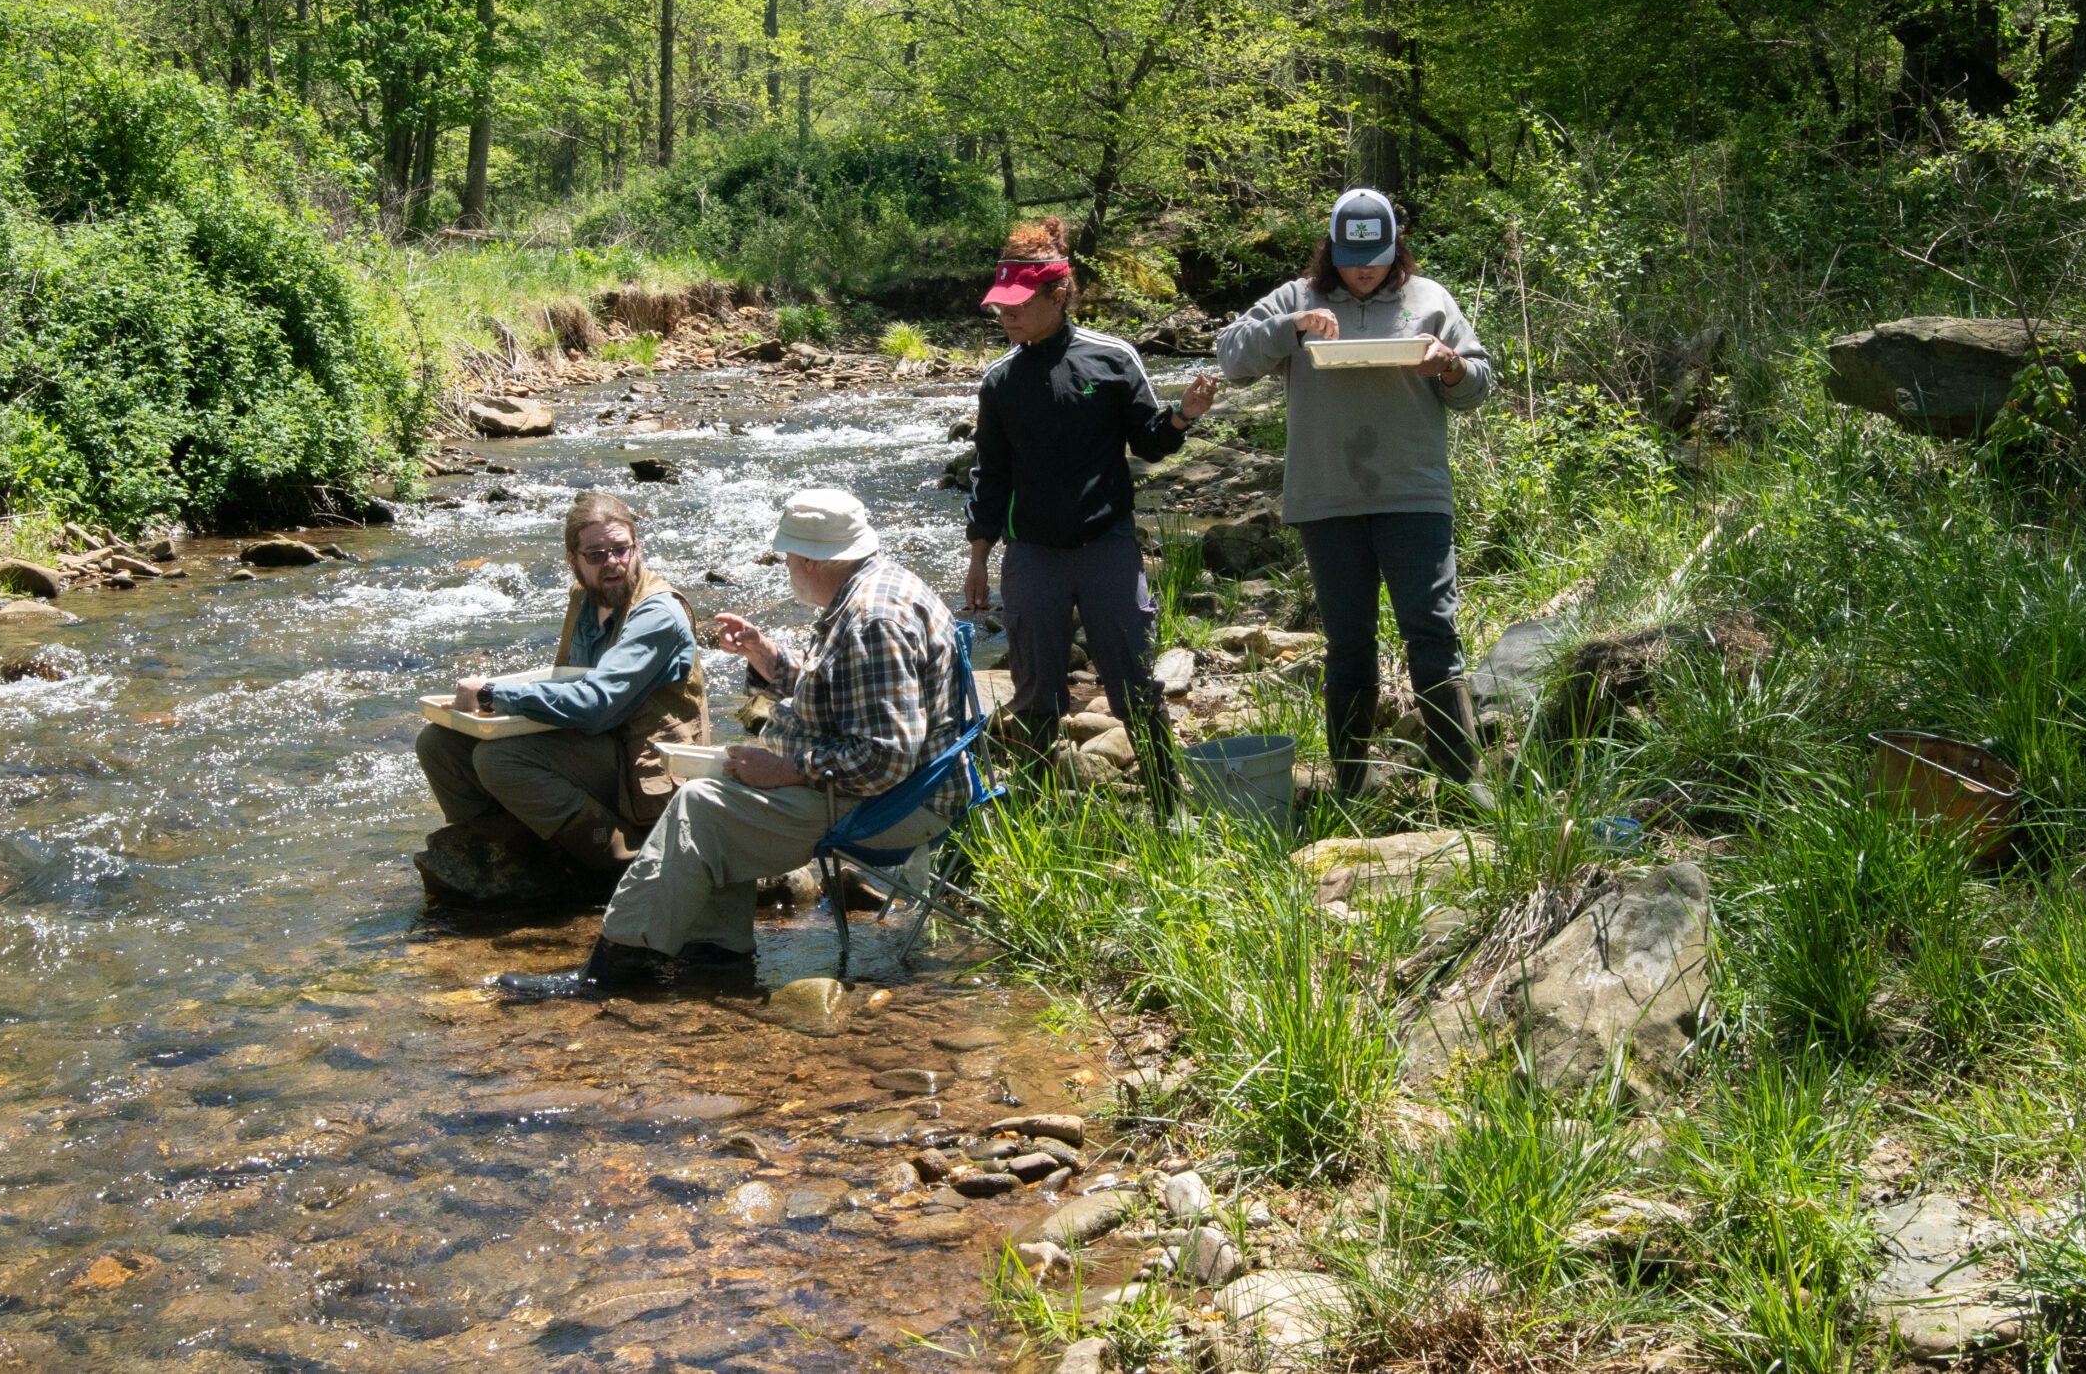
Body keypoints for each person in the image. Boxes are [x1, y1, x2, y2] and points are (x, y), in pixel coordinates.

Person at [498, 488, 964, 998]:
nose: (786, 564)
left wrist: (790, 770)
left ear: (811, 559)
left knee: (702, 805)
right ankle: (716, 957)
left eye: (789, 554)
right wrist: (770, 660)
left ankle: (615, 970)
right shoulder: (875, 588)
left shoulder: (873, 621)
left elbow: (887, 757)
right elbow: (841, 695)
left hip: (899, 804)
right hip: (900, 788)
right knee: (718, 786)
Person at [1214, 188, 1493, 797]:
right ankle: (1351, 785)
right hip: (1326, 497)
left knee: (1432, 628)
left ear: (1396, 249)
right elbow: (1230, 357)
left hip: (1414, 492)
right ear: (1330, 250)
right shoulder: (1299, 296)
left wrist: (1449, 366)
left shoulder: (1429, 300)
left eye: (1376, 255)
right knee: (1348, 639)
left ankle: (1464, 780)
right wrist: (1292, 327)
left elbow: (1477, 384)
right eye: (1349, 256)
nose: (1363, 268)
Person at [962, 217, 1215, 788]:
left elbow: (1150, 441)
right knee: (1033, 696)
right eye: (999, 306)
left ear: (1057, 294)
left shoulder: (1112, 357)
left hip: (1107, 549)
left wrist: (1183, 416)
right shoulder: (999, 381)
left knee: (1133, 682)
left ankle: (1165, 799)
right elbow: (990, 474)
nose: (1005, 315)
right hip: (1032, 558)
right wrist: (979, 557)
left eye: (1016, 304)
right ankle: (1036, 811)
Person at [414, 492, 708, 905]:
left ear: (636, 547)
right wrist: (493, 705)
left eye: (621, 549)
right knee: (439, 744)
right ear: (573, 560)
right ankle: (510, 851)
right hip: (600, 743)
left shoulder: (658, 613)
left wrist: (494, 696)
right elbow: (568, 681)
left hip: (643, 761)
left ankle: (615, 856)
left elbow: (597, 703)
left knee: (499, 759)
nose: (612, 562)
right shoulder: (584, 599)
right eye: (596, 554)